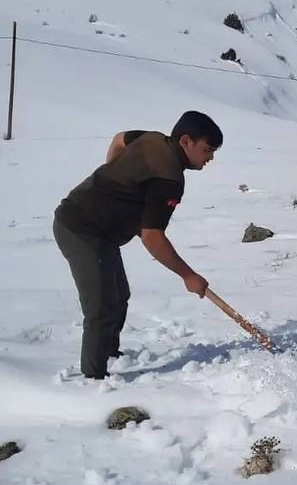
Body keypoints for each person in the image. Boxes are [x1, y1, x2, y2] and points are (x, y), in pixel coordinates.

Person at [52, 111, 223, 379]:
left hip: (102, 232)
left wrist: (116, 174)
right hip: (80, 227)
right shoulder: (168, 179)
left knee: (119, 296)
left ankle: (109, 356)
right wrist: (188, 275)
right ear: (186, 141)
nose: (210, 158)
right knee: (102, 305)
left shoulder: (152, 139)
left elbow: (119, 139)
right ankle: (93, 379)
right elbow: (152, 236)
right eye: (207, 150)